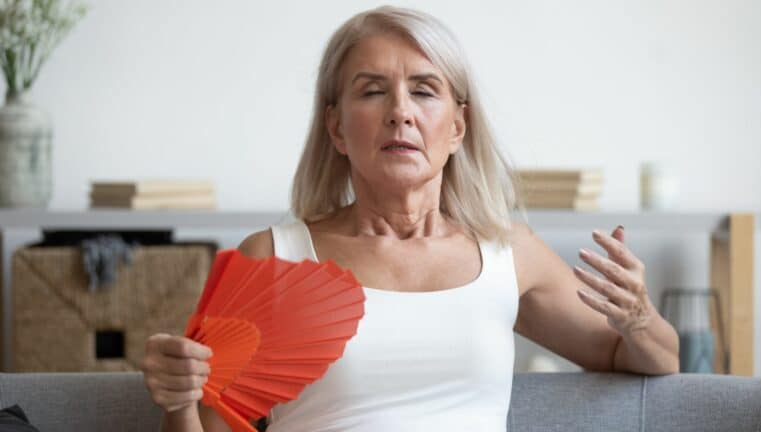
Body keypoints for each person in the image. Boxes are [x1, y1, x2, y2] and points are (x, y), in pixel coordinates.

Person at [141, 5, 680, 431]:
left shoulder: (509, 255)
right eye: (372, 91)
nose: (400, 110)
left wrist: (638, 320)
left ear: (457, 128)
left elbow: (649, 359)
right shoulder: (273, 259)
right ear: (336, 128)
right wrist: (178, 403)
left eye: (424, 90)